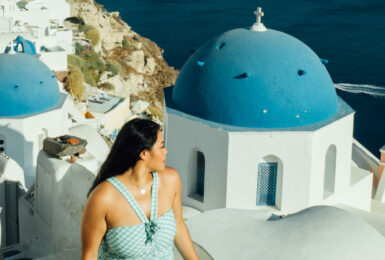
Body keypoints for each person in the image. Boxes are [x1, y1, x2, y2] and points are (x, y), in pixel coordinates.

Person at [81, 118, 199, 260]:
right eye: (161, 146)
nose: (165, 151)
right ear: (143, 153)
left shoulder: (170, 180)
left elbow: (178, 225)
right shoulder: (104, 198)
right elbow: (90, 255)